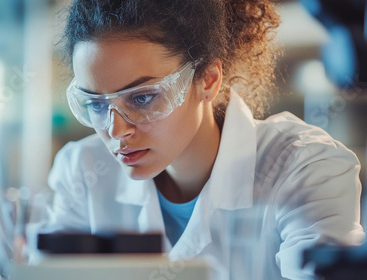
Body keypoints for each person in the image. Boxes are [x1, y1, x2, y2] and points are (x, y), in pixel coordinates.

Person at [44, 0, 365, 279]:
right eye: (97, 105)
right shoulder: (83, 171)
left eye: (142, 98)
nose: (115, 132)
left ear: (208, 80)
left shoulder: (303, 166)